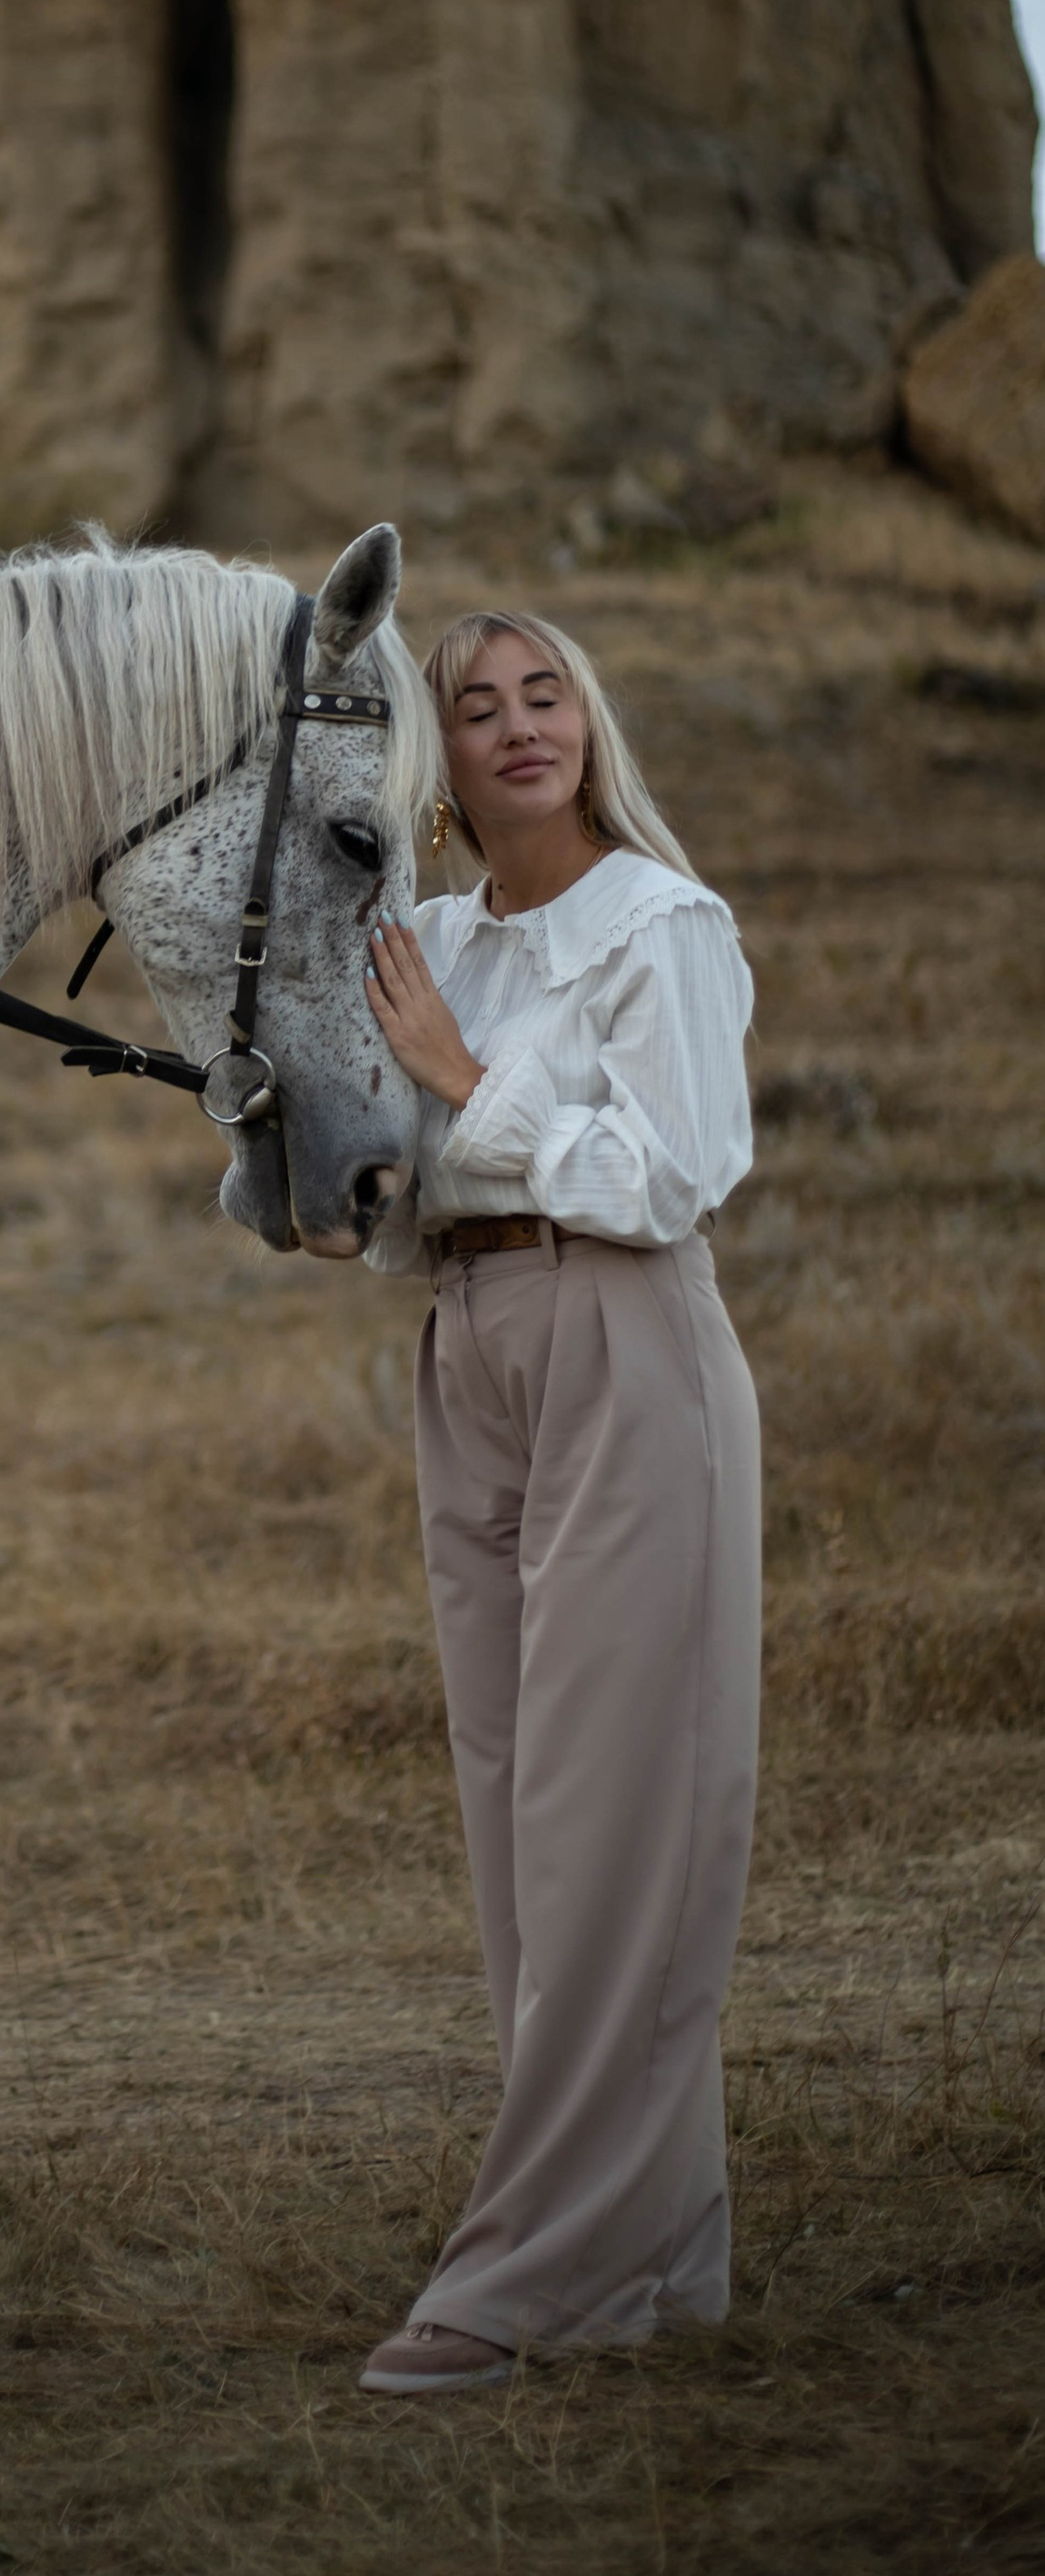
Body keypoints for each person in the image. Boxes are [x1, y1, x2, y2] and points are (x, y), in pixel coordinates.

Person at [353, 608, 759, 2393]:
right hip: (467, 1345)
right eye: (473, 707)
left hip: (621, 1339)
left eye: (546, 696)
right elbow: (380, 1185)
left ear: (587, 722)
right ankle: (643, 2256)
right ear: (425, 761)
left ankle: (523, 2272)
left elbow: (668, 1175)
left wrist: (458, 1079)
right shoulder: (422, 938)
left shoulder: (656, 926)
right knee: (521, 1822)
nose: (519, 728)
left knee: (614, 1823)